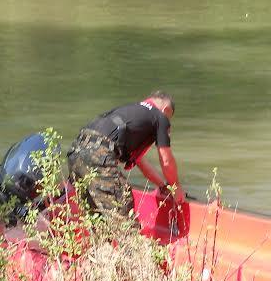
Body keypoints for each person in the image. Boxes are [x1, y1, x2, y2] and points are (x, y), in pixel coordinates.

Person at [67, 91, 185, 221]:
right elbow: (166, 160)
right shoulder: (160, 117)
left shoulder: (132, 113)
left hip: (75, 150)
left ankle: (102, 240)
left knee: (96, 213)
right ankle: (130, 240)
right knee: (122, 201)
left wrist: (163, 186)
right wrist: (176, 187)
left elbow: (141, 162)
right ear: (166, 109)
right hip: (99, 153)